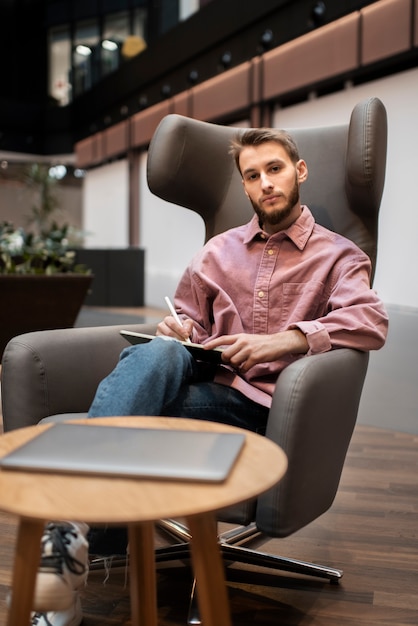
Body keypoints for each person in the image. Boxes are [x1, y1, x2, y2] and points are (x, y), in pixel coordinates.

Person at [30, 127, 389, 626]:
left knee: (125, 412)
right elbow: (188, 320)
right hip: (203, 383)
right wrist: (179, 330)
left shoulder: (339, 256)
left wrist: (286, 340)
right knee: (158, 353)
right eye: (253, 175)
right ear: (244, 186)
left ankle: (71, 536)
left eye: (275, 169)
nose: (265, 182)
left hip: (266, 410)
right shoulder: (216, 252)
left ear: (299, 171)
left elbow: (369, 321)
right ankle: (70, 535)